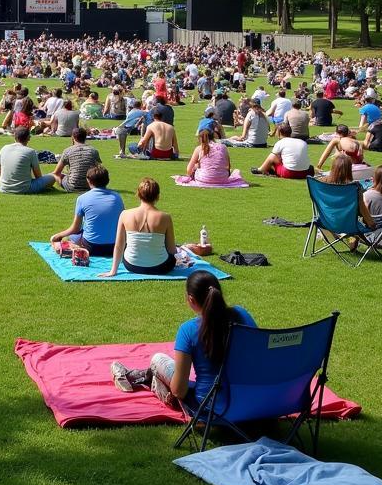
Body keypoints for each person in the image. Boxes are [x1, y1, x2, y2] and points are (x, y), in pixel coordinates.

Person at [108, 270, 256, 407]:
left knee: (158, 359)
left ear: (191, 299)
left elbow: (180, 391)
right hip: (252, 401)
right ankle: (149, 377)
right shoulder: (243, 315)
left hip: (212, 407)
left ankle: (151, 378)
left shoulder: (189, 330)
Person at [99, 177, 176, 277]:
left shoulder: (125, 214)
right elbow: (171, 249)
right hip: (160, 266)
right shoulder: (165, 217)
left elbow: (119, 245)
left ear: (138, 194)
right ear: (157, 196)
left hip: (132, 265)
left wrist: (113, 271)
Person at [51, 164, 124, 257]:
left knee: (72, 237)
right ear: (107, 180)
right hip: (115, 247)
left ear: (88, 180)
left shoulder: (82, 198)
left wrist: (58, 235)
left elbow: (75, 228)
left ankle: (73, 248)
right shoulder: (117, 197)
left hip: (92, 247)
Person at [0, 126, 56, 194]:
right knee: (52, 177)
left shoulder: (4, 148)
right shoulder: (30, 152)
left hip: (3, 187)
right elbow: (38, 176)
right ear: (29, 138)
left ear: (14, 137)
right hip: (24, 189)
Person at [53, 126, 102, 191]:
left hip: (72, 186)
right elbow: (99, 170)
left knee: (55, 175)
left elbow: (56, 172)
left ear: (73, 137)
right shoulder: (94, 151)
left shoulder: (68, 151)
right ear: (85, 137)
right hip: (90, 185)